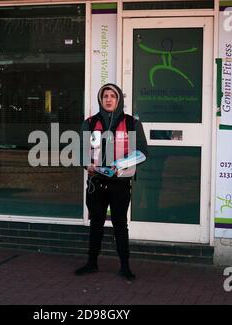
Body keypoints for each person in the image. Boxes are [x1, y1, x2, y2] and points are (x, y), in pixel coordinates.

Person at [75, 83, 148, 280]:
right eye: (105, 96)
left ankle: (125, 266)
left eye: (112, 96)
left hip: (120, 184)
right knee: (96, 223)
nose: (108, 99)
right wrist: (87, 165)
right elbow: (80, 151)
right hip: (96, 183)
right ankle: (92, 263)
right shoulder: (89, 123)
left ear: (119, 100)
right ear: (101, 100)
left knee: (120, 224)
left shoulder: (132, 123)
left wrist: (121, 164)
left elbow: (142, 152)